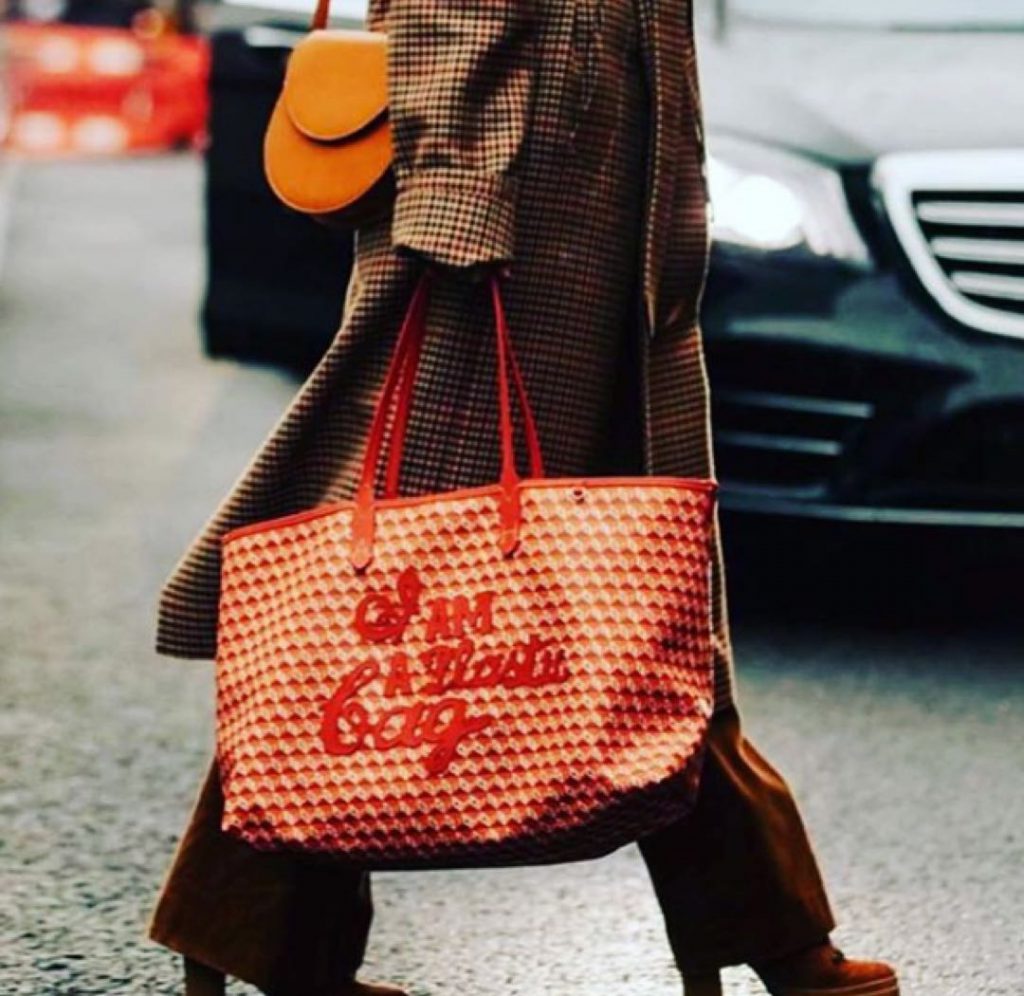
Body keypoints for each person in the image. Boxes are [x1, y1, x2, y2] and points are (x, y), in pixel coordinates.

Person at [148, 2, 900, 995]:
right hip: (507, 207)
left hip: (602, 192)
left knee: (647, 596)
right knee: (389, 613)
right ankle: (779, 941)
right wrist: (454, 197)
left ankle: (256, 945)